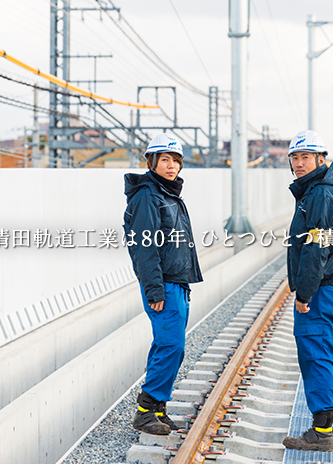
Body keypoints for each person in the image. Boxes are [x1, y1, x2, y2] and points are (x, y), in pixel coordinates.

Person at [282, 130, 333, 452]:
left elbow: (317, 248)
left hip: (322, 292)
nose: (299, 164)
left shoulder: (321, 195)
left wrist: (304, 294)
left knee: (318, 358)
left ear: (321, 160)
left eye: (305, 158)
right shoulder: (327, 192)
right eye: (294, 158)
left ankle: (321, 432)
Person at [123, 133, 203, 435]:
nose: (171, 166)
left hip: (177, 283)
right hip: (163, 286)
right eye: (165, 160)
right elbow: (145, 248)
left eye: (175, 160)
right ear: (151, 162)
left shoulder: (169, 195)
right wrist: (154, 288)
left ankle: (157, 409)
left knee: (169, 347)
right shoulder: (148, 197)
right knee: (172, 345)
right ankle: (145, 410)